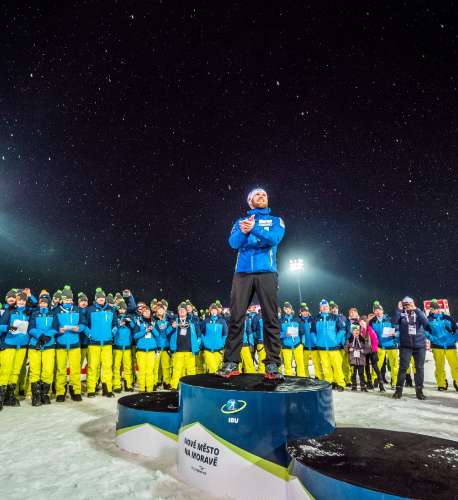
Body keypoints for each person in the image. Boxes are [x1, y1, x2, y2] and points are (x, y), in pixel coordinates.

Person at [218, 188, 285, 379]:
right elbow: (233, 243)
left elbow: (274, 239)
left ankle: (272, 365)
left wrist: (254, 228)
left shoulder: (275, 220)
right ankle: (231, 363)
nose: (262, 196)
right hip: (243, 274)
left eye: (264, 194)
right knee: (236, 318)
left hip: (267, 273)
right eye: (257, 195)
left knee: (271, 318)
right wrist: (244, 231)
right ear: (250, 201)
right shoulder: (240, 222)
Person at [392, 297, 430, 400]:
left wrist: (416, 309)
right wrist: (398, 309)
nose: (407, 305)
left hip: (419, 346)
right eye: (405, 304)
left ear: (413, 303)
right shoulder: (401, 314)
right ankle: (398, 391)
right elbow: (393, 322)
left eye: (409, 303)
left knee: (419, 368)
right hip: (405, 346)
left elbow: (426, 324)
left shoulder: (419, 312)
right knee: (403, 368)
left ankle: (419, 391)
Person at [52, 285, 85, 402]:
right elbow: (53, 326)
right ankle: (60, 392)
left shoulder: (77, 309)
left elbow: (83, 323)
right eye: (66, 299)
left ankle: (75, 391)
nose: (68, 302)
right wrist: (58, 329)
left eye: (70, 300)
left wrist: (79, 328)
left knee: (75, 369)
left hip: (74, 344)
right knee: (61, 369)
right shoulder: (56, 310)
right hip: (61, 343)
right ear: (62, 300)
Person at [0, 290, 31, 407]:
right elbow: (0, 327)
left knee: (16, 371)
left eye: (24, 300)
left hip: (22, 346)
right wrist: (9, 328)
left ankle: (9, 396)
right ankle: (0, 397)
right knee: (5, 371)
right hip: (9, 345)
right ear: (16, 301)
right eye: (20, 300)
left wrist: (29, 295)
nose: (22, 302)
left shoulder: (28, 312)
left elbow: (38, 304)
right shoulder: (9, 311)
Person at [84, 288, 117, 398]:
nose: (101, 299)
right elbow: (84, 325)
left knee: (107, 367)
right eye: (99, 297)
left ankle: (107, 389)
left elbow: (115, 324)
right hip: (94, 343)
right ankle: (91, 389)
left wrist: (112, 333)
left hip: (107, 343)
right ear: (96, 299)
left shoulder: (111, 310)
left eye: (103, 297)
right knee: (93, 367)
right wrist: (90, 334)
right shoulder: (90, 310)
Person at [28, 291, 57, 406]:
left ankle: (45, 395)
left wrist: (48, 335)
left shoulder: (52, 314)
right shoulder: (34, 313)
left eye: (45, 302)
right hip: (35, 345)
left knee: (48, 370)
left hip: (48, 345)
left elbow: (56, 327)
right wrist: (40, 336)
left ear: (48, 303)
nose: (43, 304)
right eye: (41, 302)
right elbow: (30, 328)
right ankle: (36, 396)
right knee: (35, 370)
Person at [313, 299, 346, 391]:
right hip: (322, 348)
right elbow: (312, 332)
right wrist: (317, 342)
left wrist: (336, 340)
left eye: (326, 306)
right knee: (326, 366)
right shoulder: (316, 318)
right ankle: (329, 382)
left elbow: (342, 329)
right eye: (323, 306)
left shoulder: (334, 317)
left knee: (337, 366)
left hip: (334, 347)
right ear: (320, 308)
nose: (325, 308)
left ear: (328, 307)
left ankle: (340, 383)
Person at [425, 299, 458, 391]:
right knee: (439, 366)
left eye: (438, 308)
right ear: (431, 310)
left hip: (450, 346)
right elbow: (425, 332)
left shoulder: (447, 318)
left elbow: (456, 330)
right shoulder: (428, 320)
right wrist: (433, 339)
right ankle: (441, 383)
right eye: (435, 308)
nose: (437, 310)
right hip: (437, 346)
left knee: (455, 366)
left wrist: (454, 339)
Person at [368, 301, 399, 389]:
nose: (377, 312)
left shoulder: (390, 319)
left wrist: (396, 334)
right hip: (380, 346)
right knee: (377, 364)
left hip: (391, 345)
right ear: (374, 312)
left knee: (394, 365)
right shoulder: (372, 321)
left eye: (379, 310)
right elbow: (371, 333)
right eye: (376, 310)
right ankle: (375, 380)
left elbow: (398, 330)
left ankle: (394, 382)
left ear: (382, 311)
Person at [169, 302, 200, 389]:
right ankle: (174, 387)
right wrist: (172, 327)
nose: (182, 311)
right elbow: (167, 333)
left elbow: (198, 335)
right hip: (178, 350)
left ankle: (192, 387)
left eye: (184, 310)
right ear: (178, 312)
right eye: (180, 310)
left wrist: (196, 346)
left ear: (187, 312)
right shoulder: (174, 322)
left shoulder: (192, 322)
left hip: (190, 350)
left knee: (191, 371)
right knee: (177, 370)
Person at [133, 305, 158, 392]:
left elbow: (157, 335)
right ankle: (142, 388)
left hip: (151, 351)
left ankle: (150, 389)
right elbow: (135, 336)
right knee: (142, 371)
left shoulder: (154, 321)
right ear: (142, 313)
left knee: (150, 371)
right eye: (145, 312)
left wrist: (153, 329)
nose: (147, 313)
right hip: (141, 351)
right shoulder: (138, 322)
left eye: (148, 311)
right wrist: (145, 331)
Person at [112, 300, 134, 393]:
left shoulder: (129, 317)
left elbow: (134, 327)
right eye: (120, 309)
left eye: (124, 309)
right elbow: (113, 331)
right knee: (116, 367)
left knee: (128, 366)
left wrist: (130, 321)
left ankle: (128, 384)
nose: (122, 310)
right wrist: (119, 324)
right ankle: (117, 385)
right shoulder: (115, 318)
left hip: (127, 347)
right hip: (117, 347)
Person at [200, 303, 228, 373]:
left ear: (217, 311)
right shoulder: (205, 321)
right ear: (210, 311)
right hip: (208, 350)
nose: (213, 311)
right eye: (212, 310)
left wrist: (222, 344)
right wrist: (205, 342)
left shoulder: (222, 321)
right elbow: (201, 333)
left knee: (218, 368)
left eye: (215, 310)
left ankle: (214, 383)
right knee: (213, 369)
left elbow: (225, 334)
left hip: (218, 350)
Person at [280, 302, 305, 377]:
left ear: (291, 309)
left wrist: (302, 343)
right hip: (286, 346)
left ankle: (302, 380)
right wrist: (284, 334)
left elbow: (302, 331)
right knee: (287, 366)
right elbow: (277, 333)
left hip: (297, 345)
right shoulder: (280, 321)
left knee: (300, 364)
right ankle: (288, 382)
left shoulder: (297, 319)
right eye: (285, 309)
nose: (287, 310)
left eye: (288, 308)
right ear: (284, 310)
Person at [299, 303, 322, 379]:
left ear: (308, 312)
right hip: (304, 346)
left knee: (316, 363)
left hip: (313, 345)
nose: (305, 313)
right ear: (301, 312)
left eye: (306, 311)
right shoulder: (299, 321)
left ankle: (318, 377)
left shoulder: (313, 320)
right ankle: (306, 377)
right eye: (303, 311)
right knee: (304, 363)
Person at [153, 302, 173, 389]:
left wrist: (171, 327)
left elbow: (168, 333)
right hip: (157, 347)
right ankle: (154, 382)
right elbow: (155, 334)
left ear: (164, 310)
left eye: (162, 309)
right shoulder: (154, 320)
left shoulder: (168, 320)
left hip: (165, 347)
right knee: (155, 366)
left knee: (166, 366)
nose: (160, 310)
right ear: (156, 311)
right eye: (159, 309)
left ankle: (166, 382)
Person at [346, 324, 370, 391]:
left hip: (361, 360)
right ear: (352, 332)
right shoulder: (349, 340)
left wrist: (363, 351)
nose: (356, 332)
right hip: (352, 360)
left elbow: (368, 349)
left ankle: (363, 386)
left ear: (359, 331)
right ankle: (354, 386)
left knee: (361, 374)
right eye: (354, 331)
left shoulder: (363, 339)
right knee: (353, 374)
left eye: (357, 331)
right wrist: (348, 349)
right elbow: (346, 347)